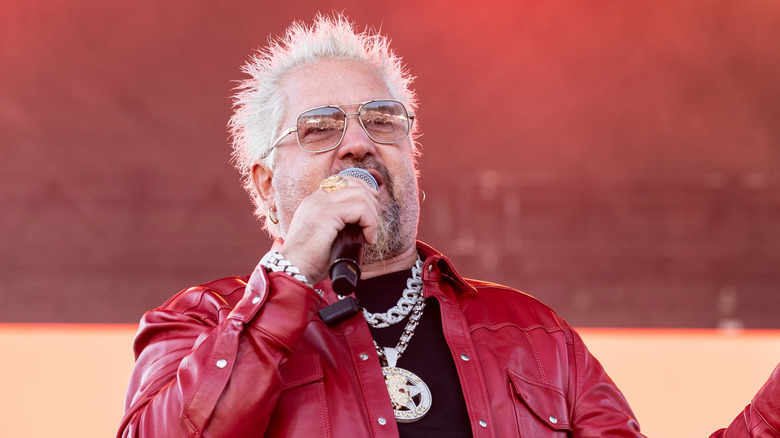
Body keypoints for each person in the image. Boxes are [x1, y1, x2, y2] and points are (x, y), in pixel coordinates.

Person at [118, 13, 780, 437]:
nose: (357, 143)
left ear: (411, 154)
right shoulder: (198, 324)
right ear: (265, 181)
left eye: (382, 120)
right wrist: (293, 270)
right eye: (320, 128)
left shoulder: (533, 334)